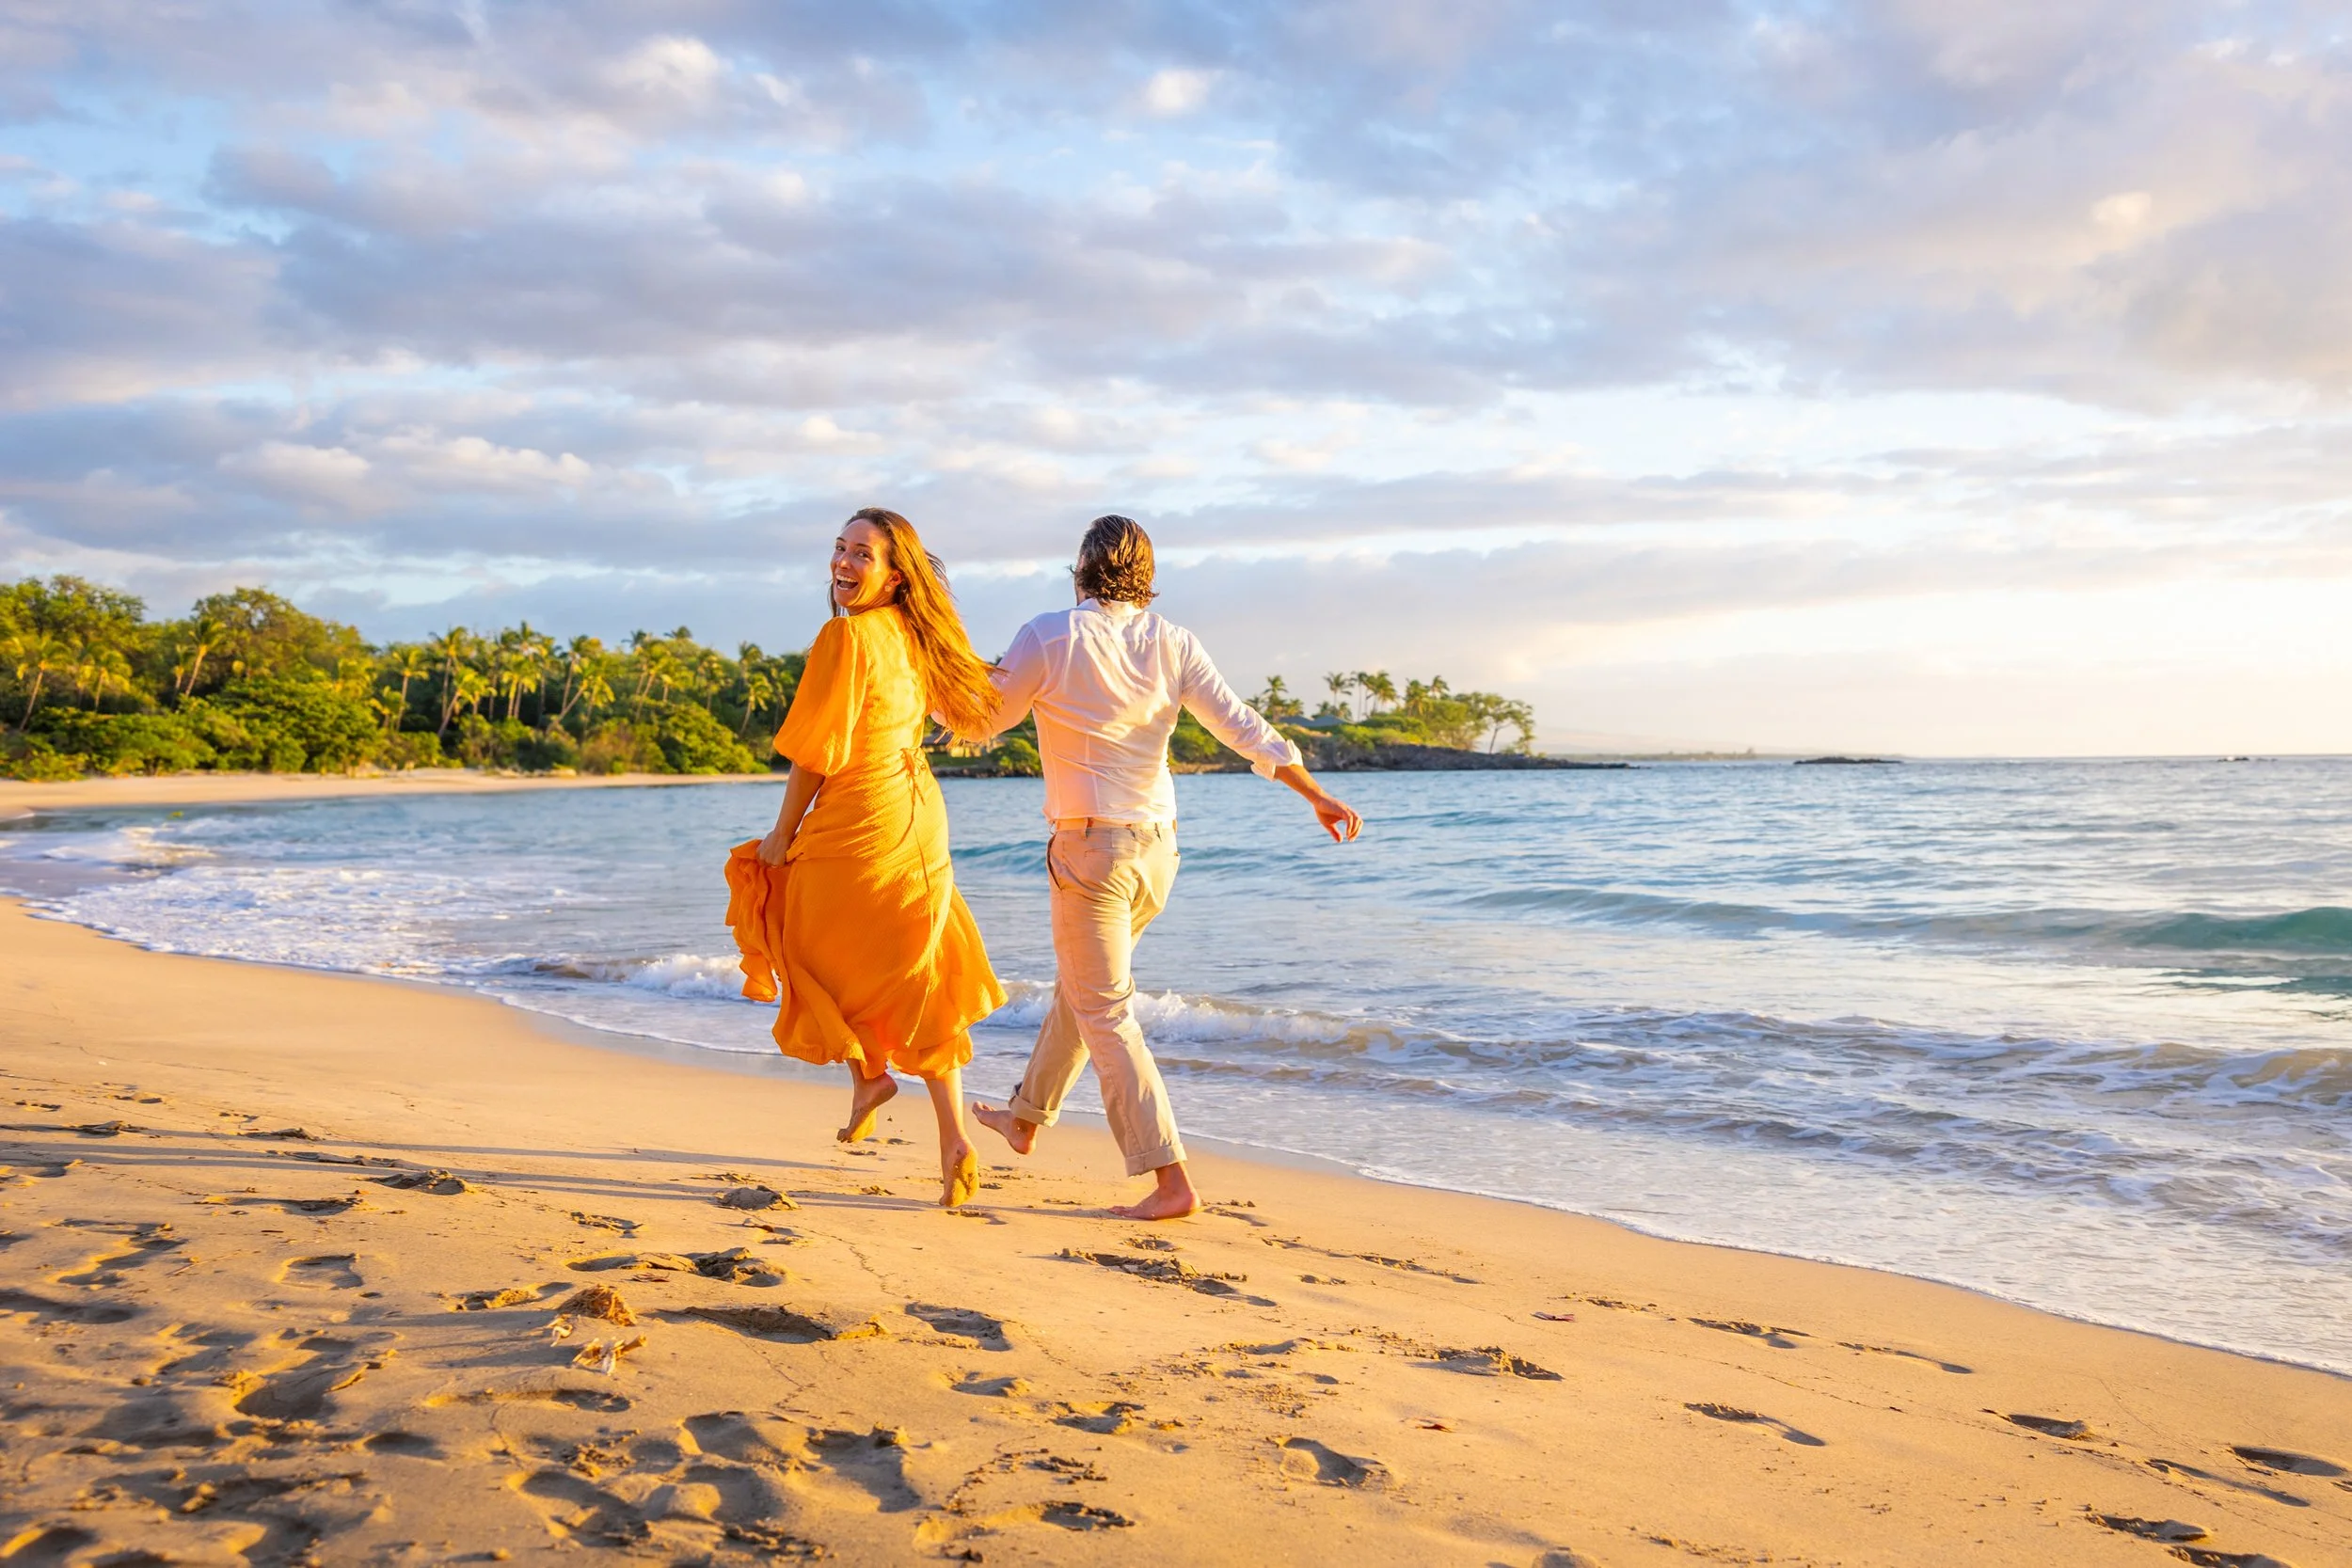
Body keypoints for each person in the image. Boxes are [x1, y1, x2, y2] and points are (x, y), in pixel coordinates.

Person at [968, 515, 1362, 1220]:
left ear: (1081, 568)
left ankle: (1171, 1180)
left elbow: (979, 723)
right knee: (1085, 990)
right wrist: (1314, 792)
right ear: (1146, 574)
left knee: (1103, 1007)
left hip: (1090, 852)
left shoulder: (1048, 635)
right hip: (1157, 852)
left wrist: (932, 674)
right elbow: (1241, 724)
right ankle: (1026, 1117)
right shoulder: (1174, 640)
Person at [723, 507, 1005, 1208]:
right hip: (919, 813)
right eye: (839, 549)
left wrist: (782, 834)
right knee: (920, 966)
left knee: (798, 934)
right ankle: (948, 1135)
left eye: (861, 554)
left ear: (894, 571)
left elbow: (817, 756)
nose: (843, 564)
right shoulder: (916, 635)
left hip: (865, 814)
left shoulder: (846, 636)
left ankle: (867, 1075)